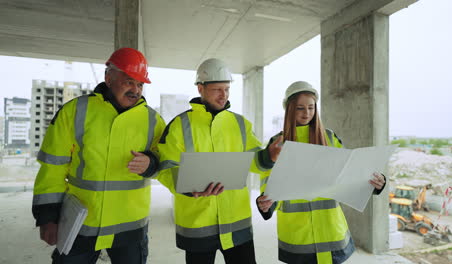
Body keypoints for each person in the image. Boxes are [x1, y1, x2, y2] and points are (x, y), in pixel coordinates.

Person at [32, 47, 166, 264]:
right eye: (129, 81)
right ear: (109, 77)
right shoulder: (75, 111)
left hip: (130, 228)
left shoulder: (153, 120)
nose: (136, 90)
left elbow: (164, 162)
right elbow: (53, 168)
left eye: (140, 84)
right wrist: (48, 217)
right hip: (81, 225)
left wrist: (151, 163)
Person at [156, 58, 282, 264]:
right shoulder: (180, 125)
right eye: (217, 89)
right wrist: (188, 186)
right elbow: (164, 168)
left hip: (237, 225)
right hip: (198, 226)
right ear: (200, 88)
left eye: (227, 89)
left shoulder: (240, 124)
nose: (224, 95)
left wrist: (269, 156)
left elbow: (254, 161)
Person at [256, 81, 386, 264]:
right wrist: (266, 203)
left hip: (332, 232)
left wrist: (375, 183)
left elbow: (351, 174)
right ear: (289, 109)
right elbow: (269, 185)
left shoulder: (330, 138)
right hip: (298, 237)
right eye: (300, 108)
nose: (307, 113)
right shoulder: (277, 144)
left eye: (311, 107)